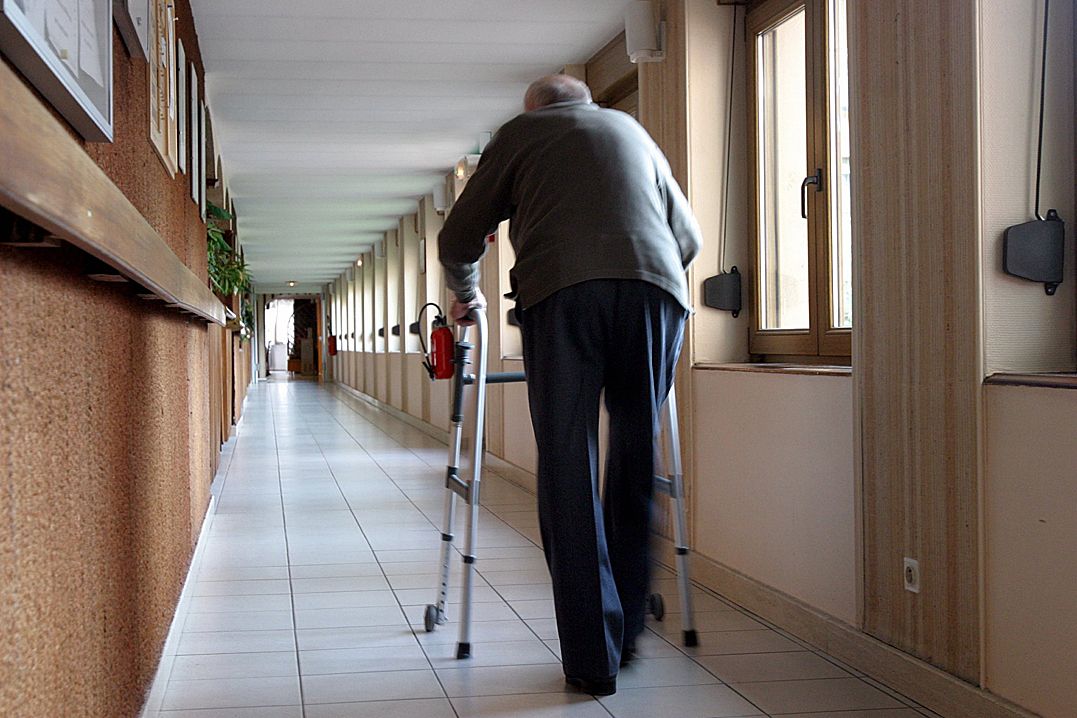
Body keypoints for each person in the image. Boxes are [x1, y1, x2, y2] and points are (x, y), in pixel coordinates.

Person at [438, 74, 701, 696]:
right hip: (658, 295)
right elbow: (686, 239)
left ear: (535, 108)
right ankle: (629, 629)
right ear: (585, 102)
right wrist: (637, 276)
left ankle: (593, 658)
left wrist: (468, 295)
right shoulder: (632, 130)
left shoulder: (521, 133)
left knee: (568, 467)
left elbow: (458, 238)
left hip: (563, 297)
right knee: (636, 458)